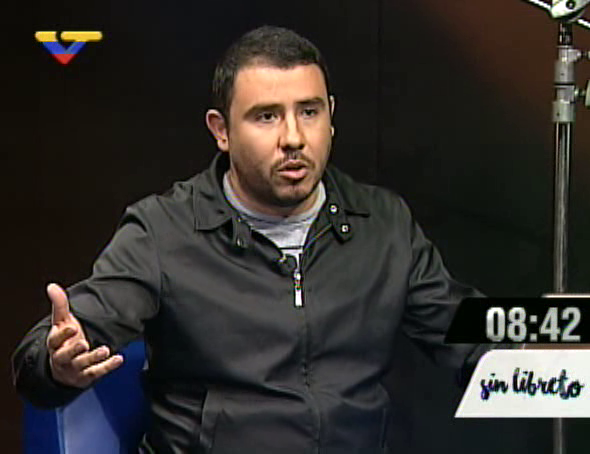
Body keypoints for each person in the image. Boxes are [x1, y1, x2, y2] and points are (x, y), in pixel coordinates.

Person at [13, 25, 491, 453]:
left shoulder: (384, 223)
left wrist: (533, 345)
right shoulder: (164, 230)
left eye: (309, 112)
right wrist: (55, 364)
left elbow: (469, 332)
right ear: (221, 131)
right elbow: (46, 353)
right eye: (266, 117)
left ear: (331, 116)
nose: (293, 138)